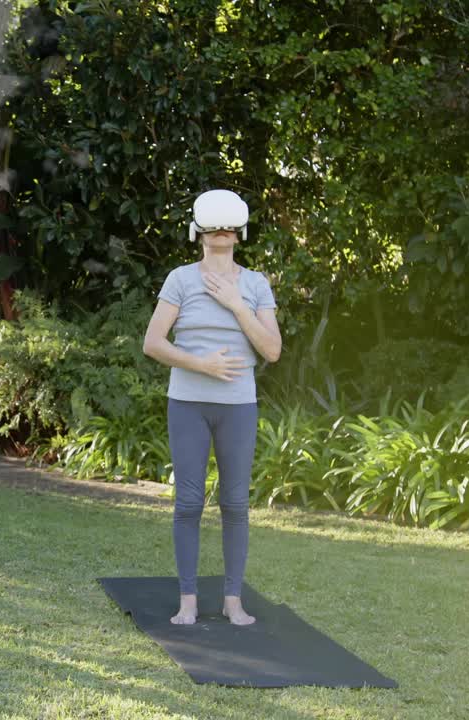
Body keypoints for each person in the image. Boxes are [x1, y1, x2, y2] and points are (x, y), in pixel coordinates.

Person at [142, 189, 282, 625]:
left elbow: (272, 350)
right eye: (214, 227)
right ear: (200, 231)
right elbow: (153, 343)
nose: (221, 233)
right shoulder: (181, 279)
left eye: (227, 227)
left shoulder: (256, 284)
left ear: (239, 233)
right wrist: (200, 363)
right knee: (188, 503)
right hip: (188, 404)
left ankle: (232, 601)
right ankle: (188, 601)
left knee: (236, 504)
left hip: (238, 407)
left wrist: (237, 304)